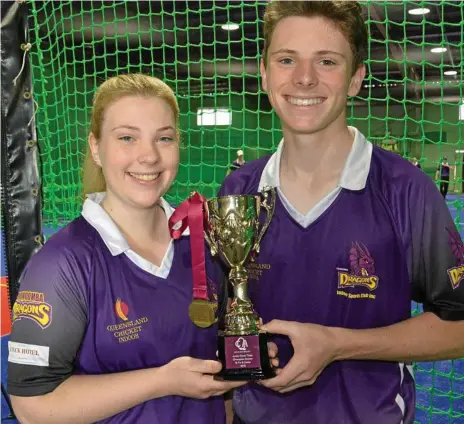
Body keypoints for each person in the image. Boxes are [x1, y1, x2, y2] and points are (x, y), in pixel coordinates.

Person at [217, 2, 464, 424]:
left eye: (327, 61)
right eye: (286, 59)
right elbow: (225, 325)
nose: (304, 78)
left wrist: (337, 344)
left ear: (355, 79)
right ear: (264, 72)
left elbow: (458, 326)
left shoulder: (406, 191)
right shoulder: (238, 193)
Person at [7, 74, 249, 424]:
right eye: (127, 138)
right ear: (96, 147)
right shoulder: (62, 265)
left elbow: (218, 381)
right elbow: (32, 407)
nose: (148, 156)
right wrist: (162, 382)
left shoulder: (204, 245)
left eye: (163, 138)